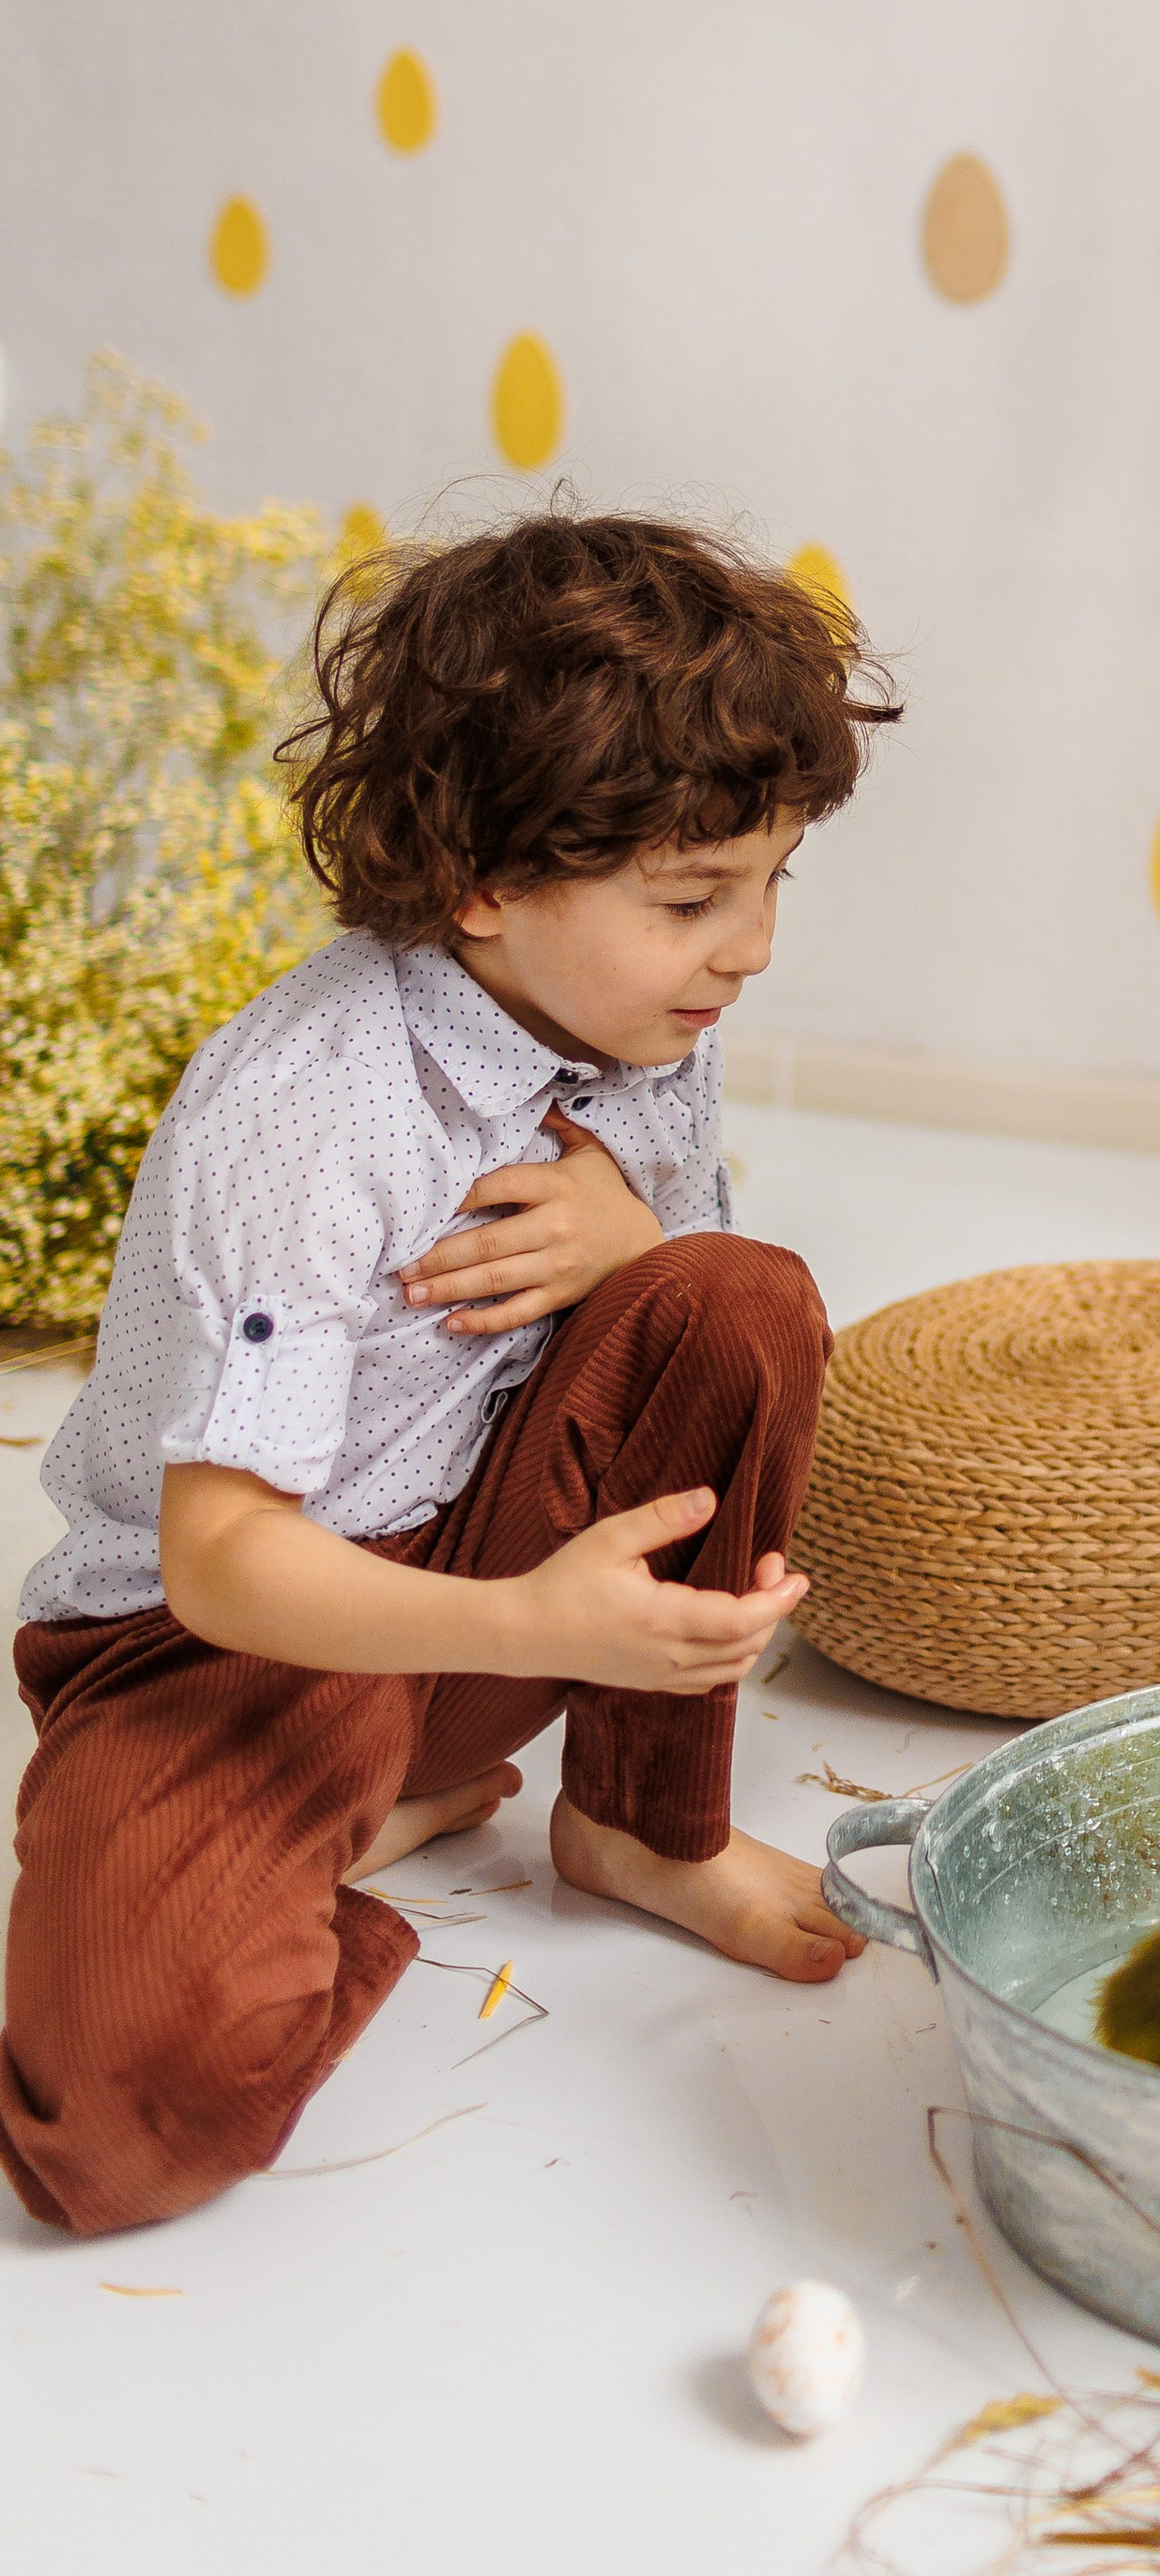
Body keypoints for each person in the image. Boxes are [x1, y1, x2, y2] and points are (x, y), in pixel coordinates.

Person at [3, 511, 897, 2235]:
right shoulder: (311, 1109)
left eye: (775, 879)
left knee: (743, 1292)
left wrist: (635, 1241)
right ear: (481, 883)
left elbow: (718, 1340)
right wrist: (537, 1630)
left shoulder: (643, 1031)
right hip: (227, 1641)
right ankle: (330, 1841)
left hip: (489, 1587)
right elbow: (220, 1558)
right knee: (107, 2133)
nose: (755, 944)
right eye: (696, 897)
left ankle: (642, 1828)